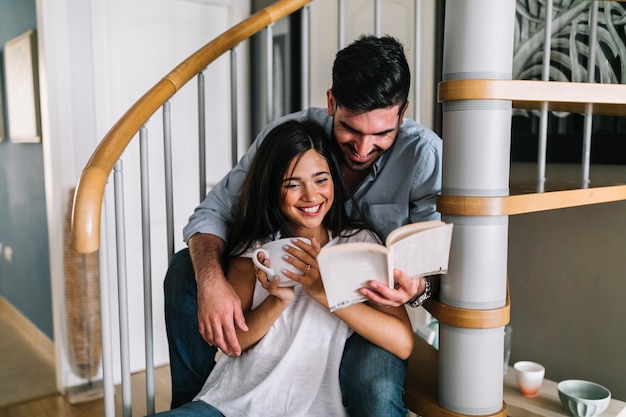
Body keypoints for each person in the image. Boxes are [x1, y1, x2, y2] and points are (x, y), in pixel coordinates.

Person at [164, 35, 442, 416]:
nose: (362, 149)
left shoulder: (423, 155)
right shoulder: (291, 140)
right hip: (255, 369)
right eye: (350, 131)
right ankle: (197, 400)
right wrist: (215, 284)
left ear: (403, 111)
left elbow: (431, 255)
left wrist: (419, 288)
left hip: (361, 313)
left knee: (374, 391)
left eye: (381, 133)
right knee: (186, 269)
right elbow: (213, 213)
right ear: (332, 103)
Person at [154, 120, 414, 417]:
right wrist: (278, 301)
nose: (311, 196)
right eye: (292, 184)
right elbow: (233, 342)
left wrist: (323, 292)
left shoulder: (357, 244)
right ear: (273, 189)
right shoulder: (255, 249)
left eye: (320, 179)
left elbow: (402, 342)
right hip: (229, 404)